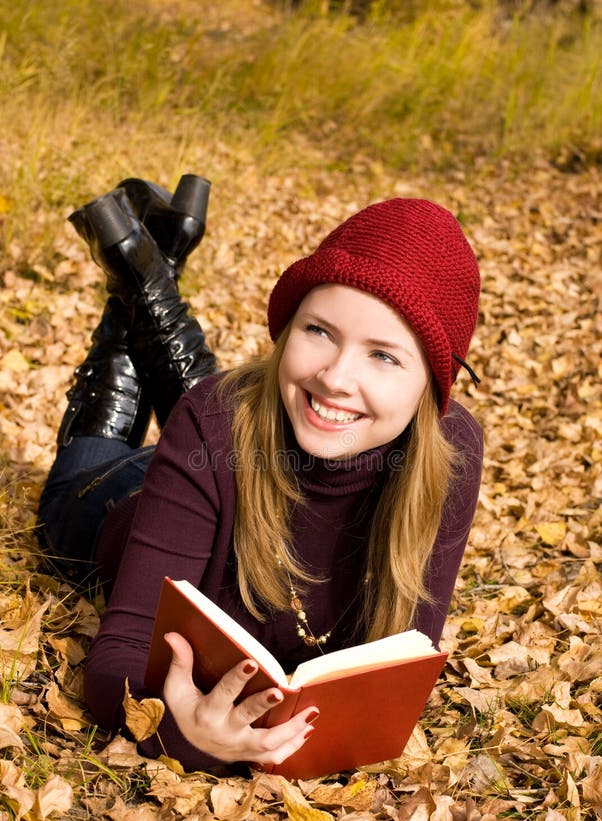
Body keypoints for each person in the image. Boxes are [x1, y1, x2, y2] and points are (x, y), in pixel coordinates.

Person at [37, 175, 483, 773]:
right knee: (117, 424)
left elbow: (399, 667)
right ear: (288, 327)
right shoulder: (214, 423)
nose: (336, 375)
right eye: (318, 331)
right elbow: (116, 658)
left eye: (383, 354)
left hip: (233, 460)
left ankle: (151, 267)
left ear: (433, 385)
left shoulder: (448, 453)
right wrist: (186, 733)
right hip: (112, 495)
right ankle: (140, 280)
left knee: (248, 413)